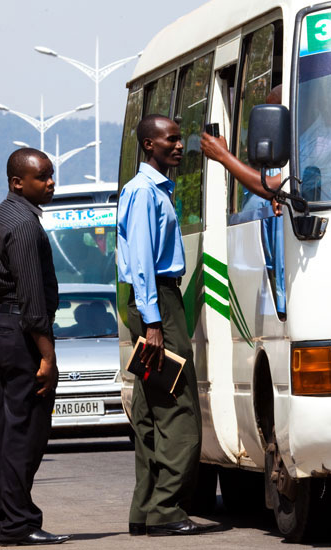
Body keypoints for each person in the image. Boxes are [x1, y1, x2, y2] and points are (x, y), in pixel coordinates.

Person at [117, 115, 220, 536]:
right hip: (158, 300)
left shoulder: (151, 189)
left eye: (180, 139)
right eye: (171, 140)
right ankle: (166, 509)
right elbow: (141, 260)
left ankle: (145, 510)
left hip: (153, 300)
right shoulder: (143, 192)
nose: (180, 146)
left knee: (150, 408)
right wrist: (155, 322)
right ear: (148, 145)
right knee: (179, 411)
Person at [0, 147, 70, 546]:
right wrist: (47, 356)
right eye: (43, 177)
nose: (51, 183)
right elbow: (34, 300)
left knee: (4, 428)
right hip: (20, 330)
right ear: (18, 182)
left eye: (52, 175)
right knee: (26, 430)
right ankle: (18, 522)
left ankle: (4, 520)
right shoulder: (25, 225)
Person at [200, 84, 288, 316]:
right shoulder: (285, 154)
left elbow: (271, 187)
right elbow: (263, 193)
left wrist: (223, 156)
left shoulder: (319, 142)